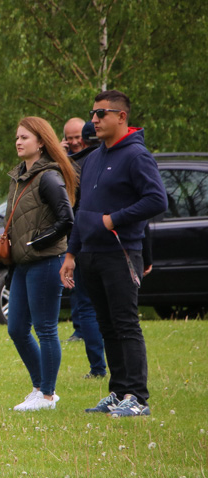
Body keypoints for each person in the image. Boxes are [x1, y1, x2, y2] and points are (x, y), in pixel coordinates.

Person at [61, 90, 167, 417]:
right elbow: (82, 211)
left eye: (101, 113)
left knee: (125, 325)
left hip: (121, 254)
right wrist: (71, 253)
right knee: (106, 325)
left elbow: (157, 200)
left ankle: (138, 397)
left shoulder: (136, 155)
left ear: (121, 117)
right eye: (93, 113)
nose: (94, 120)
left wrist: (114, 219)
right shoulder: (93, 158)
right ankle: (119, 391)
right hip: (90, 254)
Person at [6, 117, 75, 411]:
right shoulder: (20, 175)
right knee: (16, 327)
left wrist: (36, 242)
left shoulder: (49, 176)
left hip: (46, 261)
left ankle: (47, 396)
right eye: (17, 137)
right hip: (23, 263)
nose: (19, 142)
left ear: (41, 142)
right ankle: (39, 388)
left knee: (45, 329)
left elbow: (66, 219)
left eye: (25, 137)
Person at [65, 121, 107, 378]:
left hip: (84, 241)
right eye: (68, 138)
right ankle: (116, 370)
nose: (72, 142)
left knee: (89, 306)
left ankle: (98, 368)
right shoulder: (110, 162)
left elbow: (73, 209)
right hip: (105, 242)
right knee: (110, 309)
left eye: (75, 138)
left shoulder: (77, 165)